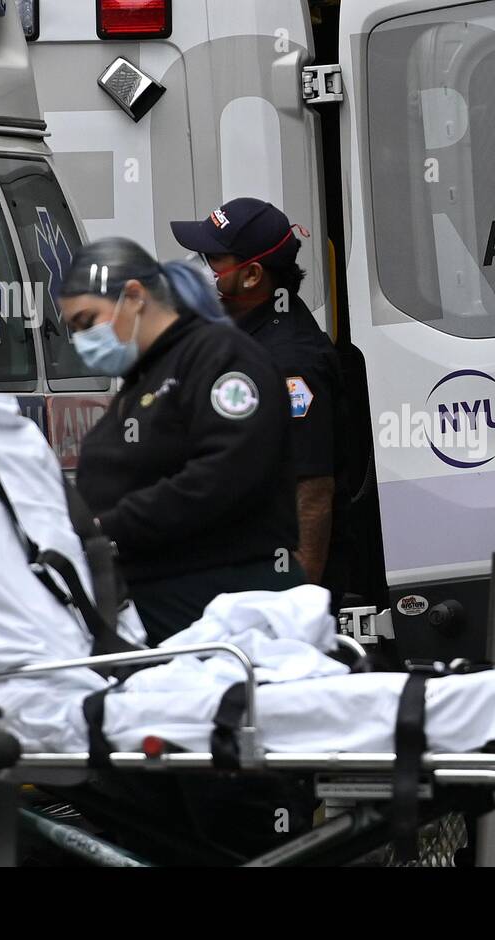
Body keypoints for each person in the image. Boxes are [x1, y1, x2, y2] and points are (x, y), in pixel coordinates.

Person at [60, 237, 302, 644]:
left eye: (88, 322)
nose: (82, 341)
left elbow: (227, 473)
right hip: (155, 597)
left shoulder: (220, 355)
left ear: (134, 296)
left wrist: (107, 527)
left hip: (221, 598)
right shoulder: (143, 380)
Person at [170, 198, 348, 591]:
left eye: (212, 258)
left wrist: (294, 606)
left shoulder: (290, 362)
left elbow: (312, 492)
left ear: (251, 275)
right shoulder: (242, 336)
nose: (197, 265)